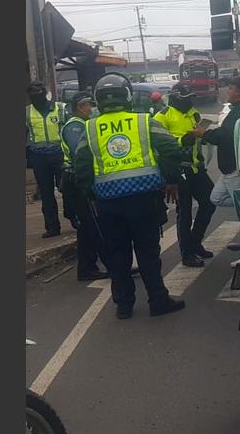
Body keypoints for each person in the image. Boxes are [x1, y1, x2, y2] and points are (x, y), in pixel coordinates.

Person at [73, 73, 185, 319]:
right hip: (144, 200)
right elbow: (171, 150)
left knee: (117, 255)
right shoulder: (144, 121)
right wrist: (171, 179)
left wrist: (90, 193)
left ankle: (124, 306)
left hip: (108, 203)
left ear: (98, 100)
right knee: (148, 253)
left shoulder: (90, 128)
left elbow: (81, 165)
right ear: (127, 96)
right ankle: (158, 301)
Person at [155, 83, 216, 267]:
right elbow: (159, 143)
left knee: (210, 202)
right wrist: (183, 139)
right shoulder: (162, 116)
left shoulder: (193, 113)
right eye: (187, 98)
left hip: (196, 168)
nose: (190, 101)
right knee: (185, 212)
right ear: (176, 98)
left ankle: (195, 242)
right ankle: (187, 253)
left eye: (191, 98)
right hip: (178, 170)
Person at [61, 92, 109, 281]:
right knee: (91, 225)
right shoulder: (74, 126)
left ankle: (92, 267)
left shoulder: (84, 124)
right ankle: (92, 268)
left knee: (91, 226)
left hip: (81, 179)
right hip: (77, 181)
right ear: (80, 107)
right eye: (89, 105)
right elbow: (79, 154)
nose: (92, 108)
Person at [26, 81, 70, 238]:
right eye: (33, 96)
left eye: (38, 94)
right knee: (46, 193)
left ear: (45, 94)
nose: (36, 98)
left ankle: (73, 217)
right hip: (39, 156)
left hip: (59, 154)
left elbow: (68, 131)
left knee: (66, 187)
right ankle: (52, 227)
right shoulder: (27, 112)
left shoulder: (60, 108)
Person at [197, 82, 240, 207]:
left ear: (239, 92)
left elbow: (224, 135)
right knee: (216, 198)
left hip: (233, 168)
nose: (227, 92)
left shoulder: (239, 111)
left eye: (231, 88)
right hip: (227, 169)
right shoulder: (236, 110)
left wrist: (204, 134)